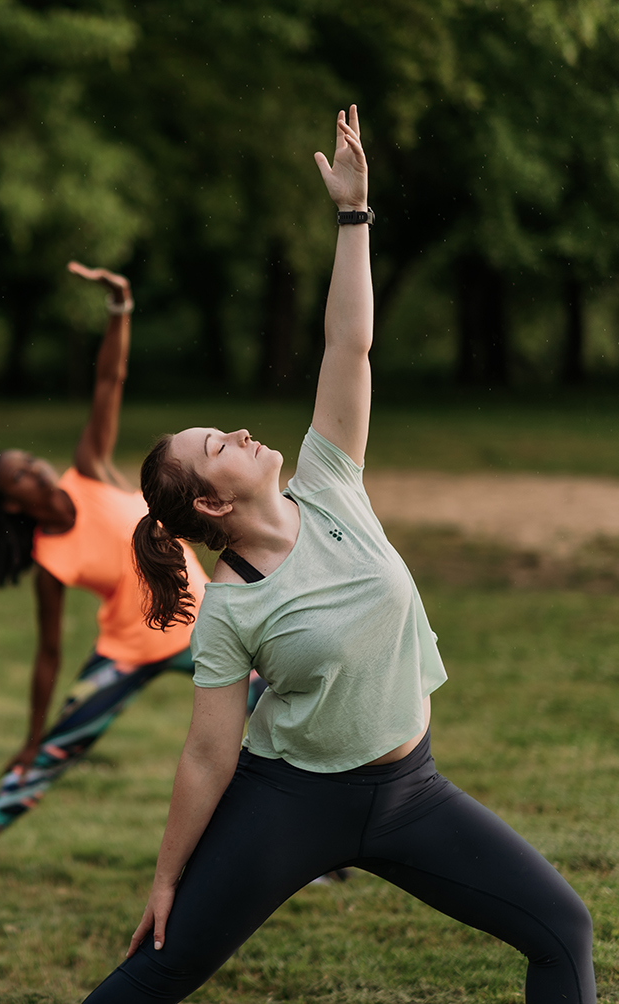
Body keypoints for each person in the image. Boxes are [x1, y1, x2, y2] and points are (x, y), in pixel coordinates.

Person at [83, 106, 593, 1003]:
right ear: (211, 501)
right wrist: (167, 878)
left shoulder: (329, 482)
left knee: (564, 931)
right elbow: (208, 758)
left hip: (415, 793)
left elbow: (347, 344)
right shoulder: (232, 609)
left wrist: (353, 217)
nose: (242, 431)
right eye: (219, 446)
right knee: (153, 978)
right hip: (289, 806)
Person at [0, 263, 241, 879]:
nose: (34, 469)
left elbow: (110, 379)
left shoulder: (90, 469)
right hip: (125, 652)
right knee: (54, 750)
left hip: (207, 626)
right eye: (19, 476)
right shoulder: (49, 563)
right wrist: (31, 735)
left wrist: (120, 310)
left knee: (284, 712)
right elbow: (48, 655)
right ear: (14, 503)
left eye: (28, 459)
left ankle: (318, 853)